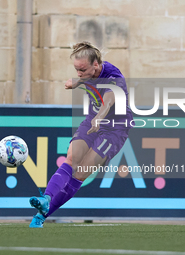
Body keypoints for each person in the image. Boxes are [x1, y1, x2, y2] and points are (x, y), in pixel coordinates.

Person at [29, 41, 133, 228]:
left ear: (96, 64)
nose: (79, 73)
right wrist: (76, 83)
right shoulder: (90, 70)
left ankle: (43, 215)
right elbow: (86, 79)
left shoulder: (114, 78)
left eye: (81, 70)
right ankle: (46, 198)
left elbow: (108, 100)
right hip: (92, 119)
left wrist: (100, 117)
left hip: (114, 129)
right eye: (76, 70)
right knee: (71, 157)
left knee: (81, 171)